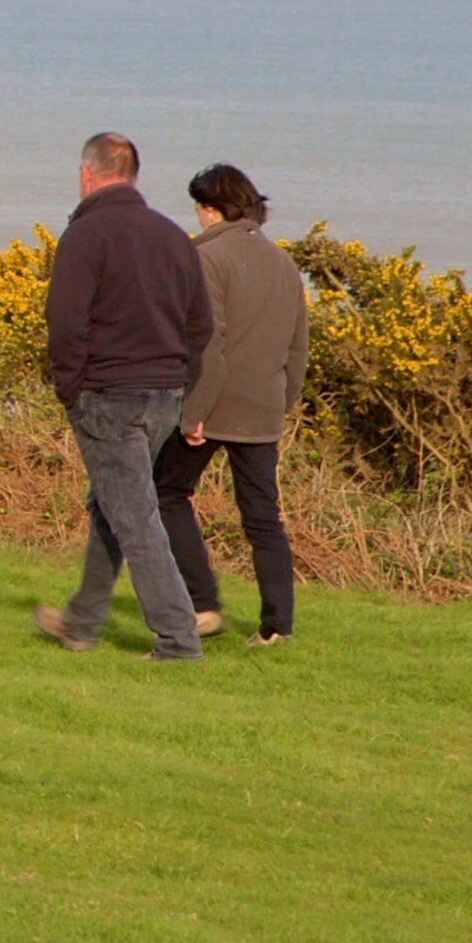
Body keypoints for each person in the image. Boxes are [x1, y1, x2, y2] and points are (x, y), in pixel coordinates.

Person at [34, 132, 215, 660]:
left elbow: (64, 323)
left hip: (107, 395)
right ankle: (82, 621)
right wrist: (178, 380)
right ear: (132, 174)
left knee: (134, 516)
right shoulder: (172, 238)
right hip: (163, 396)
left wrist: (70, 387)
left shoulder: (85, 235)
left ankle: (177, 639)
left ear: (87, 174)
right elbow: (201, 326)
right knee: (113, 504)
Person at [157, 162, 309, 644]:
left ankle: (204, 604)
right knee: (264, 517)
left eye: (199, 209)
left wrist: (193, 414)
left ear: (212, 209)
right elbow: (298, 347)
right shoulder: (284, 264)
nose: (197, 219)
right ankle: (277, 627)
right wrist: (281, 402)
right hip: (263, 408)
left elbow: (209, 345)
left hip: (216, 404)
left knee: (167, 492)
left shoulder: (208, 259)